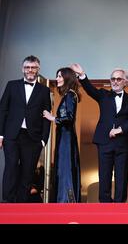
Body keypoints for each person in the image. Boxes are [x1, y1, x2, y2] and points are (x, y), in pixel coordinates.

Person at [72, 64, 128, 202]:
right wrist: (82, 75)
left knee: (121, 176)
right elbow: (90, 89)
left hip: (122, 143)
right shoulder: (103, 95)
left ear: (126, 81)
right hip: (104, 141)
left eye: (118, 79)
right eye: (112, 79)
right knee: (104, 175)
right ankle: (105, 207)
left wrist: (120, 129)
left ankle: (119, 208)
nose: (115, 81)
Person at [0, 55, 51, 203]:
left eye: (33, 67)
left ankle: (22, 205)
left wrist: (43, 139)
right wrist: (1, 135)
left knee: (28, 172)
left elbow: (46, 116)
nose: (30, 70)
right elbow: (2, 110)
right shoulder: (12, 85)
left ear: (38, 69)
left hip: (33, 138)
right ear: (23, 69)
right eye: (27, 67)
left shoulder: (44, 90)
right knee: (11, 167)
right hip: (12, 135)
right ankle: (8, 204)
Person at [43, 67, 81, 202]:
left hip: (66, 139)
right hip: (65, 138)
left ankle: (66, 202)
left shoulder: (70, 95)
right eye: (57, 76)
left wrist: (52, 118)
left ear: (67, 78)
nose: (57, 79)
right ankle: (64, 201)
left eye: (60, 76)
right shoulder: (68, 95)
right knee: (63, 169)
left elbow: (69, 118)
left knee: (65, 169)